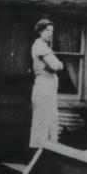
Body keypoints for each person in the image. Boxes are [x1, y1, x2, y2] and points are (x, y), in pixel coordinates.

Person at [29, 18, 63, 150]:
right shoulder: (39, 46)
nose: (50, 33)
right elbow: (56, 65)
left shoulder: (45, 47)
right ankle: (40, 149)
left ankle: (48, 148)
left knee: (50, 118)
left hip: (49, 85)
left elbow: (57, 66)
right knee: (43, 118)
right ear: (40, 31)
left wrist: (58, 65)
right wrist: (58, 65)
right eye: (47, 30)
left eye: (52, 31)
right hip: (43, 86)